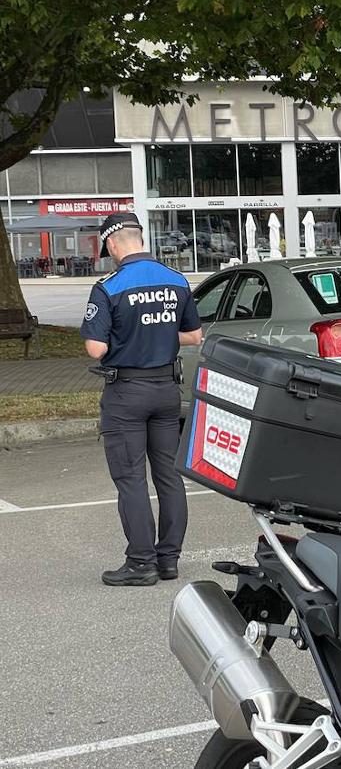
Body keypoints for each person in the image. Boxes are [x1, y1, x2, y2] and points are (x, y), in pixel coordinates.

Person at [80, 213, 203, 586]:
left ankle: (140, 563)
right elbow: (194, 336)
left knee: (132, 479)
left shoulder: (109, 286)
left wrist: (128, 337)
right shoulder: (176, 280)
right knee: (169, 476)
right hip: (167, 390)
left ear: (113, 243)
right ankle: (169, 560)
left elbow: (95, 348)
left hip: (126, 394)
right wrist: (159, 334)